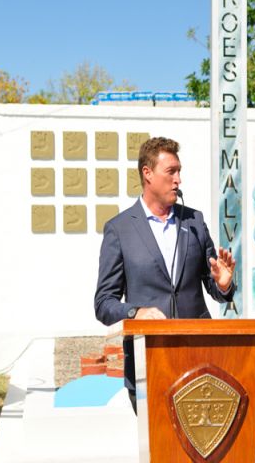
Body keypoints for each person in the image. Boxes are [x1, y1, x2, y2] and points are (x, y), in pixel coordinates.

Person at [94, 136, 236, 413]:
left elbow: (213, 287)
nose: (178, 180)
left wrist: (224, 284)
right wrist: (136, 313)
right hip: (148, 359)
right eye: (171, 171)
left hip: (200, 356)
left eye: (179, 171)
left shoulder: (194, 221)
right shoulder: (120, 229)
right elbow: (103, 304)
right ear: (147, 174)